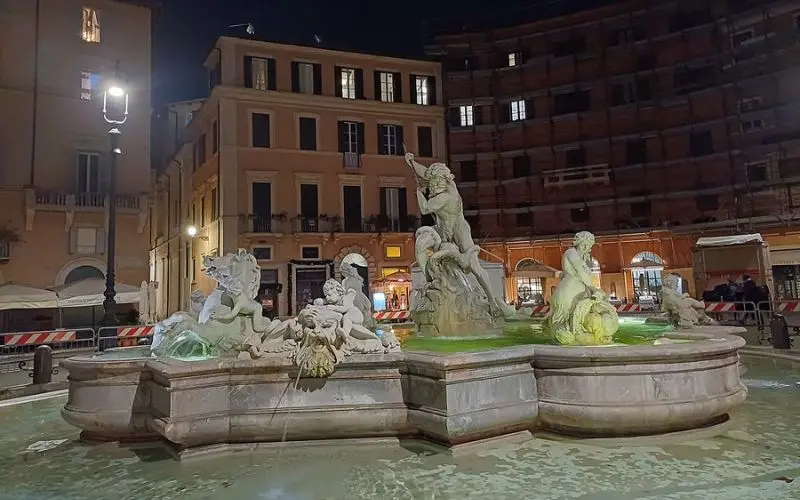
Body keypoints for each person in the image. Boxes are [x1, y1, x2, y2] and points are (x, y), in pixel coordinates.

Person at [405, 151, 516, 318]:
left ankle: (492, 301)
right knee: (421, 242)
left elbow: (425, 208)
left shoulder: (447, 196)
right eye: (432, 182)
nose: (432, 185)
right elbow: (426, 173)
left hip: (458, 230)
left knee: (475, 267)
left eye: (436, 182)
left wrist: (419, 192)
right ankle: (430, 278)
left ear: (445, 181)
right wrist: (412, 162)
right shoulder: (441, 184)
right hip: (442, 229)